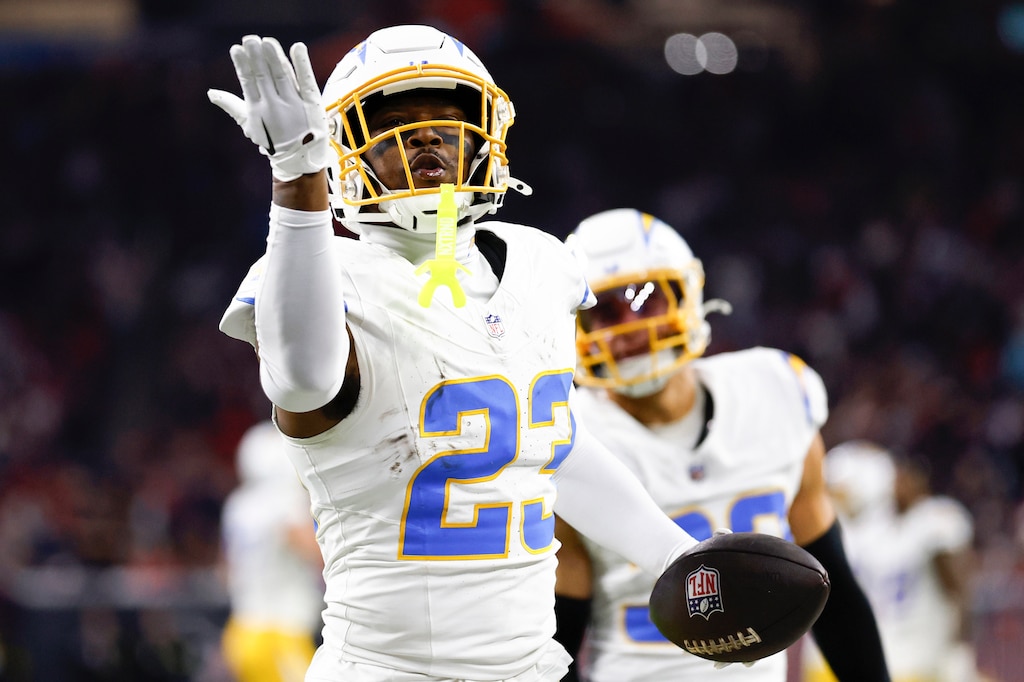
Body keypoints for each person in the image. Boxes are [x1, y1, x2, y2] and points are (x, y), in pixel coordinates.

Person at [203, 25, 766, 681]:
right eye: (394, 120)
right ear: (342, 149)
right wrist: (296, 181)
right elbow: (302, 379)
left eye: (448, 116)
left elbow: (551, 443)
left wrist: (676, 553)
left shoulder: (542, 264)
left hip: (529, 668)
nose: (426, 134)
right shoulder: (321, 276)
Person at [551, 209, 890, 681]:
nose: (630, 327)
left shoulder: (774, 391)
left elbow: (834, 594)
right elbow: (558, 637)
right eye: (604, 311)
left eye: (646, 300)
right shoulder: (564, 434)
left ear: (687, 296)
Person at [802, 441, 980, 682]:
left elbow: (958, 589)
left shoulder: (929, 523)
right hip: (865, 662)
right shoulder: (916, 525)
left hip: (884, 662)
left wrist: (959, 650)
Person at [220, 420, 324, 682]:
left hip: (242, 630)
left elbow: (226, 570)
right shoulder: (285, 503)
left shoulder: (237, 505)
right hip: (279, 635)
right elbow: (319, 556)